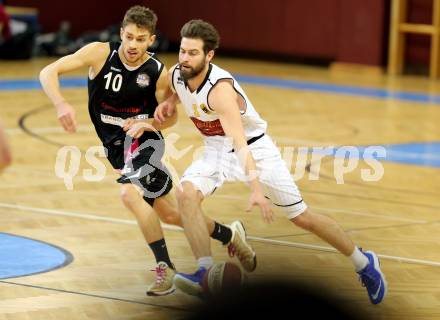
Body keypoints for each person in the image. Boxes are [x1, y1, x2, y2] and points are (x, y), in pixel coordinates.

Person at [154, 19, 387, 304]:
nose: (184, 58)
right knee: (185, 194)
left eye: (192, 53)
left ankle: (365, 263)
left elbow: (240, 144)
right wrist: (169, 102)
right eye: (182, 51)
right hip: (215, 149)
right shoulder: (178, 73)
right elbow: (180, 91)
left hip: (255, 150)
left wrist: (255, 188)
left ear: (209, 56)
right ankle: (204, 271)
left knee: (301, 216)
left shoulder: (220, 91)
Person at [39, 7, 256, 297]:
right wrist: (60, 103)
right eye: (129, 37)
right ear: (121, 34)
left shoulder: (156, 73)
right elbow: (47, 70)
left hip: (146, 143)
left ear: (150, 40)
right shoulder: (99, 53)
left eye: (140, 39)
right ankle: (229, 234)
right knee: (169, 214)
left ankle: (165, 268)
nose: (132, 45)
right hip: (116, 150)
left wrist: (146, 122)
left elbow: (171, 117)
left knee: (129, 194)